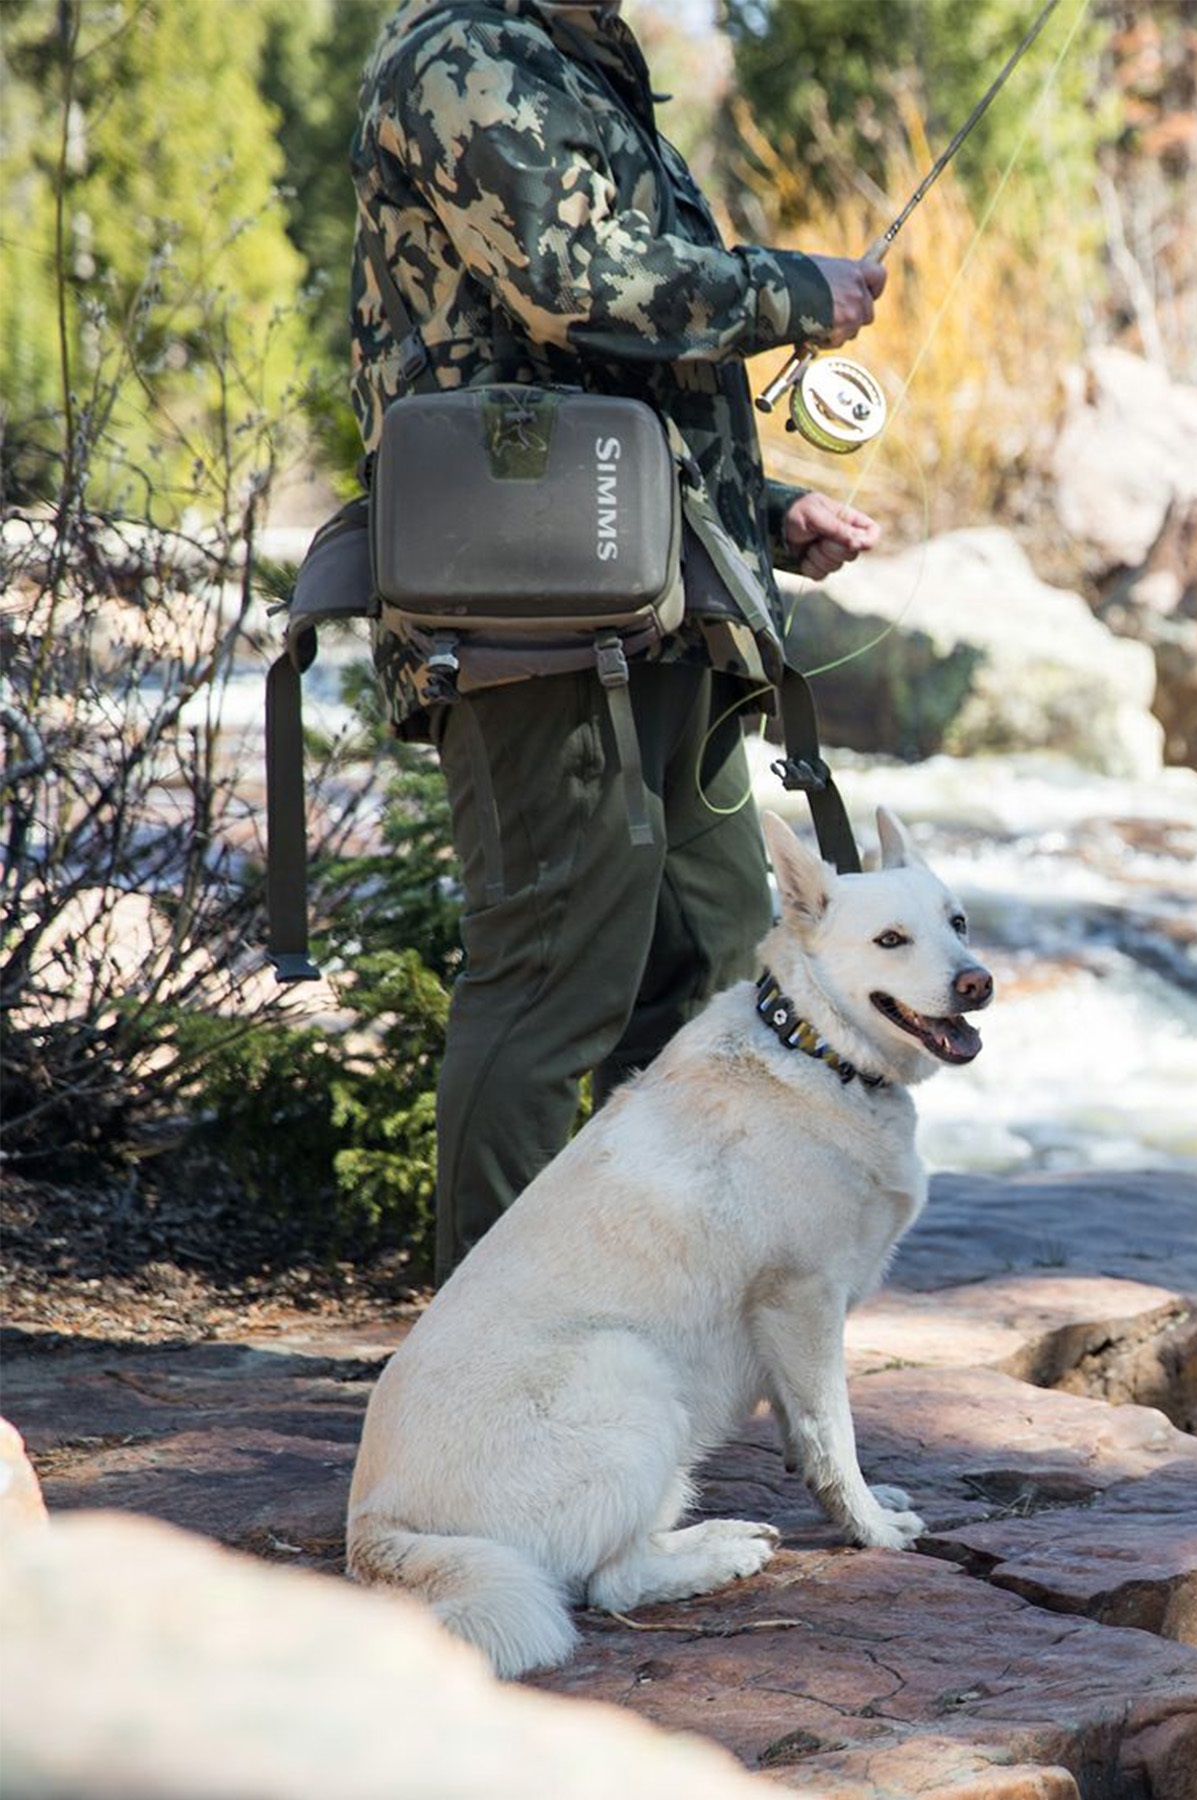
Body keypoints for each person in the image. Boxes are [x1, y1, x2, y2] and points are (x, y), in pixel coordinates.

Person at [349, 0, 887, 1282]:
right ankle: (496, 1349)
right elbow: (572, 288)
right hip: (526, 620)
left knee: (706, 969)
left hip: (650, 601)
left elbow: (612, 394)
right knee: (549, 985)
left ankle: (660, 1313)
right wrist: (792, 289)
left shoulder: (581, 65)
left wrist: (761, 514)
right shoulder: (463, 55)